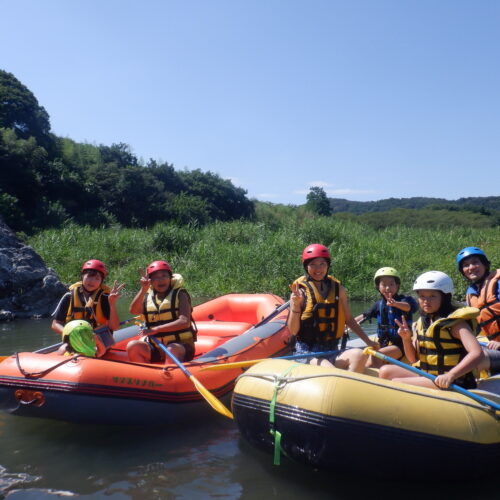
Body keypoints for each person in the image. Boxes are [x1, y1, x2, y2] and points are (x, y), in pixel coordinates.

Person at [379, 271, 484, 389]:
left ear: (444, 297)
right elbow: (413, 359)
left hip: (454, 380)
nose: (426, 301)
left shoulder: (456, 323)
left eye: (432, 296)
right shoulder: (421, 323)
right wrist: (406, 339)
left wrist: (451, 375)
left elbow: (478, 353)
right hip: (429, 374)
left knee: (397, 382)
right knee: (385, 371)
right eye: (422, 296)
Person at [288, 244, 378, 373]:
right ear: (306, 266)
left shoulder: (338, 289)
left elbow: (349, 319)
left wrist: (368, 341)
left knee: (359, 355)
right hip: (306, 352)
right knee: (329, 368)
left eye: (322, 264)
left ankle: (347, 388)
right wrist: (295, 305)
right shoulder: (300, 292)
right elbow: (293, 330)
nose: (318, 268)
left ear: (328, 266)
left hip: (332, 349)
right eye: (313, 264)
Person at [126, 260, 197, 364]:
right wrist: (143, 289)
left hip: (180, 346)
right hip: (157, 347)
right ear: (151, 281)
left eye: (164, 276)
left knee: (171, 349)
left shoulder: (180, 295)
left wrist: (156, 329)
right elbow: (133, 310)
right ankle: (143, 376)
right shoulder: (147, 297)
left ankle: (169, 376)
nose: (160, 280)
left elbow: (184, 321)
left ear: (170, 278)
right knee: (132, 346)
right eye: (155, 278)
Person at [51, 259, 124, 356]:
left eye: (97, 279)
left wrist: (112, 303)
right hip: (76, 339)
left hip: (99, 340)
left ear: (101, 282)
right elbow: (55, 324)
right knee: (62, 350)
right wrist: (72, 334)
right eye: (89, 276)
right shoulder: (69, 297)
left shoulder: (105, 299)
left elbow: (114, 327)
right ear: (82, 276)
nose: (92, 281)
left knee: (89, 352)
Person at [355, 267, 417, 367]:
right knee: (361, 358)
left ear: (397, 285)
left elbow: (409, 307)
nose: (388, 288)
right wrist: (347, 324)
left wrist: (395, 303)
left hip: (401, 345)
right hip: (383, 343)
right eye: (384, 285)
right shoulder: (379, 304)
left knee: (376, 356)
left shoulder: (406, 300)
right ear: (378, 287)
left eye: (391, 284)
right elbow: (364, 316)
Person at [456, 246, 500, 375]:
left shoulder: (497, 285)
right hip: (493, 344)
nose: (471, 267)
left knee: (474, 360)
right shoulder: (472, 294)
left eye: (475, 262)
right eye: (466, 265)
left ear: (485, 265)